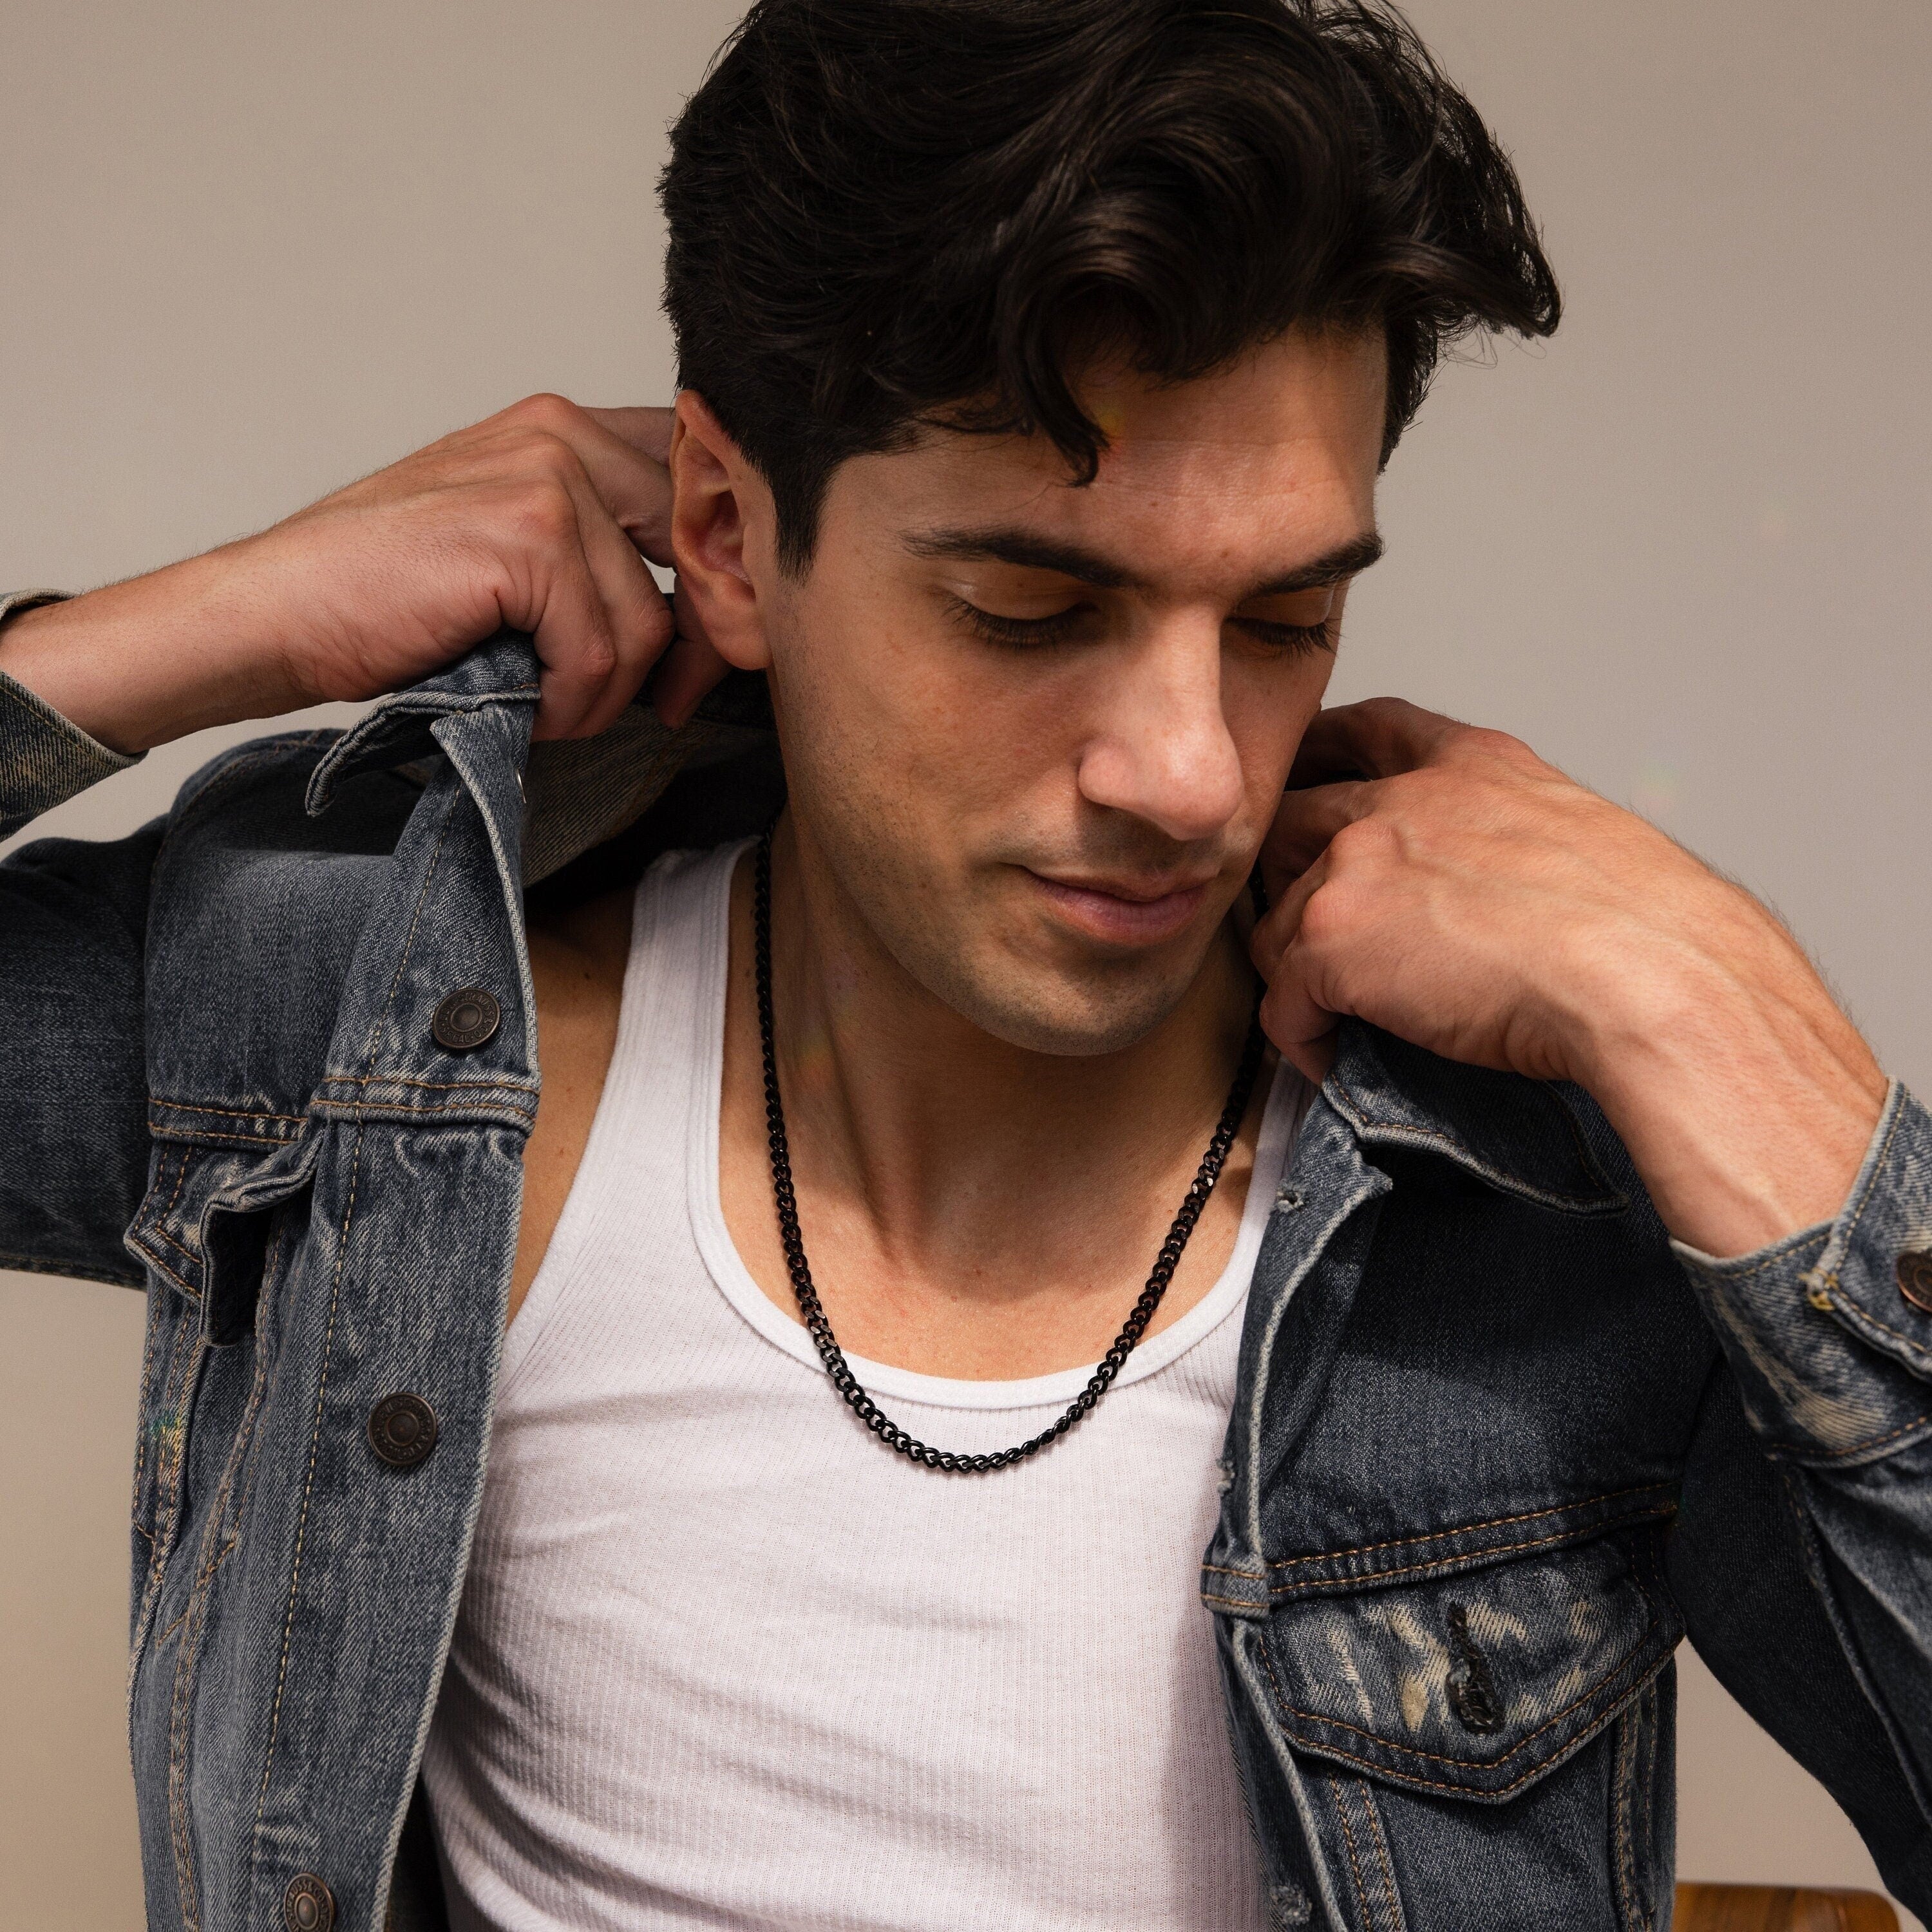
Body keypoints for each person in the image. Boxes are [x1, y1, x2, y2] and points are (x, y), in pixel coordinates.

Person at [1, 0, 1926, 1926]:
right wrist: (179, 626)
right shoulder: (360, 1042)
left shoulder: (1546, 1195)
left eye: (1284, 619)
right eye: (1030, 607)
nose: (1190, 776)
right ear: (729, 534)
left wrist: (1726, 1021)